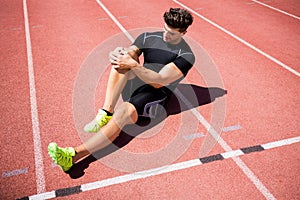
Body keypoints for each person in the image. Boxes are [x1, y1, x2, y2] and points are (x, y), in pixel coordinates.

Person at [48, 8, 195, 172]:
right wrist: (119, 54)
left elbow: (159, 82)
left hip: (155, 97)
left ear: (184, 33)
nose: (166, 36)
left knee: (123, 112)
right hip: (138, 82)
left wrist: (132, 64)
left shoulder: (186, 55)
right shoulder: (148, 37)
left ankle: (72, 156)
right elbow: (130, 53)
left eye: (172, 34)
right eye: (165, 30)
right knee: (122, 60)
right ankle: (106, 112)